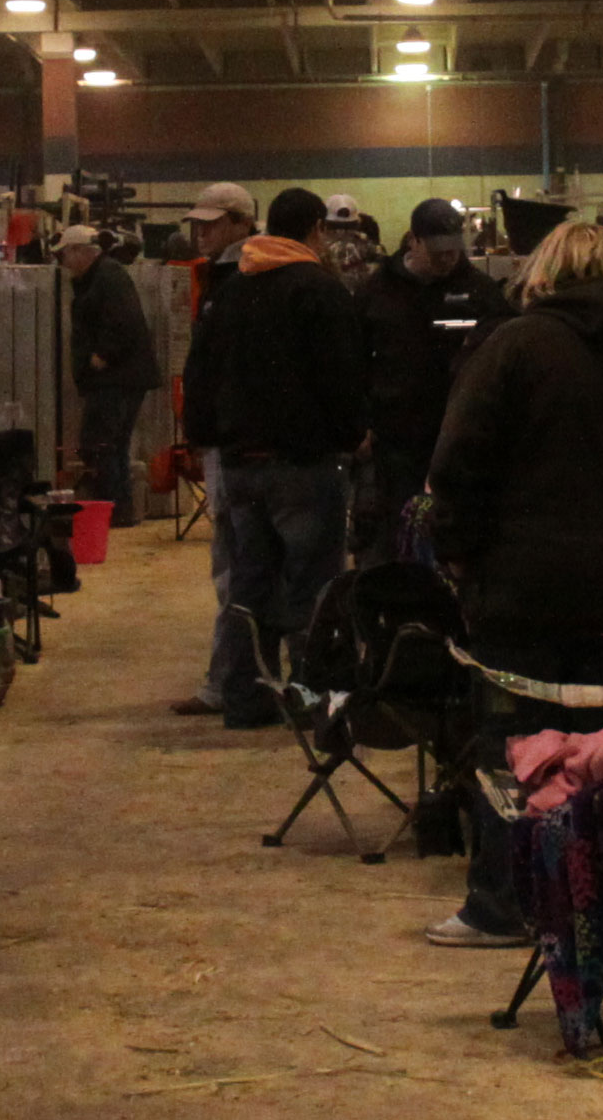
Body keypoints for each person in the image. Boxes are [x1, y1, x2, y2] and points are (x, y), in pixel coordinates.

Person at [413, 219, 603, 948]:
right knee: (602, 748)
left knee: (514, 744)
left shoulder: (512, 348)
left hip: (520, 586)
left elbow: (457, 466)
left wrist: (457, 556)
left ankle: (502, 905)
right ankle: (585, 899)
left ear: (542, 277)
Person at [178, 183, 367, 728]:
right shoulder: (319, 290)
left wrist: (206, 437)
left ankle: (244, 698)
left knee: (249, 585)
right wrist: (351, 434)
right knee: (313, 588)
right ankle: (312, 703)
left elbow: (200, 373)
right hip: (302, 466)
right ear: (315, 231)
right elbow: (341, 376)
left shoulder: (229, 290)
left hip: (241, 466)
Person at [355, 196, 508, 555]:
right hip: (395, 441)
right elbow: (353, 361)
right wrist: (360, 423)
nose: (447, 258)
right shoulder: (375, 293)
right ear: (413, 241)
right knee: (397, 535)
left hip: (459, 437)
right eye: (438, 250)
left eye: (453, 249)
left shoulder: (480, 293)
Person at [170, 179, 257, 713]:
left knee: (238, 568)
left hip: (239, 444)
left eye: (214, 222)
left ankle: (233, 685)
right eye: (198, 222)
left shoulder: (242, 279)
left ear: (243, 223)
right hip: (231, 440)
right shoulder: (220, 276)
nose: (202, 231)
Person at [54, 221, 159, 528]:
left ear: (80, 251)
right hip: (121, 377)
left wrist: (102, 355)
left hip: (116, 378)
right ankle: (118, 509)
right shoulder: (100, 276)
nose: (64, 262)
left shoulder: (107, 275)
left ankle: (111, 510)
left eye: (65, 254)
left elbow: (123, 320)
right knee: (113, 445)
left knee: (100, 443)